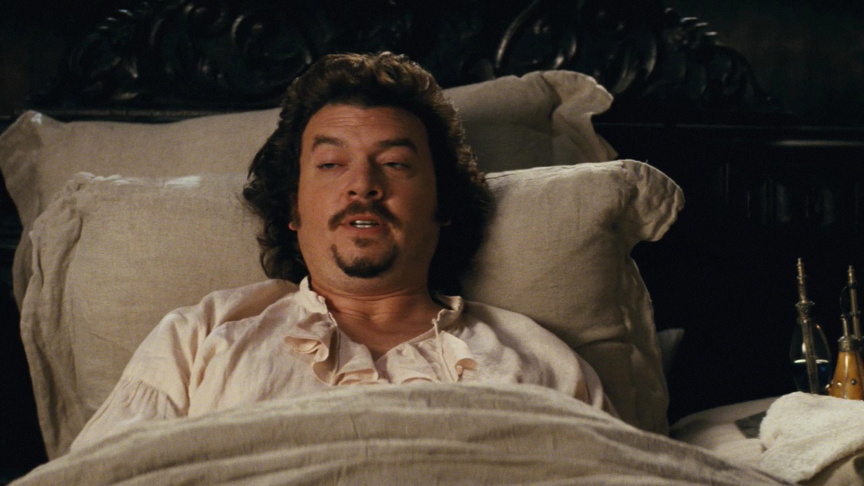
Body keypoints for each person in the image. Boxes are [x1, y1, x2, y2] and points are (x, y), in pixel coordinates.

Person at [70, 52, 615, 451]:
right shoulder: (200, 337)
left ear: (443, 204)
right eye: (331, 165)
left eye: (395, 164)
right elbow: (105, 473)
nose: (363, 185)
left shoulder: (536, 361)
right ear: (294, 207)